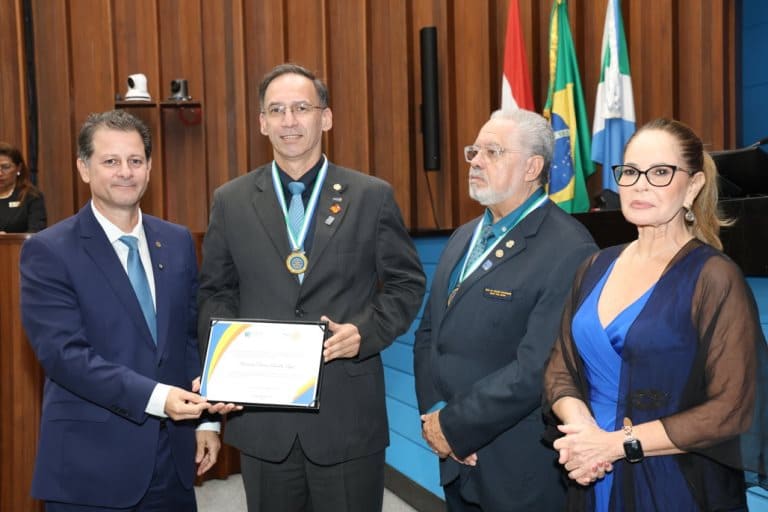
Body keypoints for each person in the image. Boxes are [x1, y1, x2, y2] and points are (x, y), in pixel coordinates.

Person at [197, 63, 426, 512]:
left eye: (301, 108)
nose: (289, 121)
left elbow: (406, 283)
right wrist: (224, 362)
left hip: (346, 412)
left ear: (326, 117)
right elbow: (214, 292)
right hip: (264, 417)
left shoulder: (370, 195)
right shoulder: (231, 200)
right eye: (276, 110)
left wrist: (364, 332)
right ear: (261, 122)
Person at [543, 118, 768, 511]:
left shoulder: (714, 278)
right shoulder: (594, 266)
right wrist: (584, 437)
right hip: (591, 472)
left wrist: (615, 444)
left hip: (674, 482)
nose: (640, 184)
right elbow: (560, 367)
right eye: (630, 171)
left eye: (660, 172)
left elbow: (731, 407)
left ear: (693, 186)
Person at [20, 110, 232, 511]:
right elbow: (64, 356)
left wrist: (205, 421)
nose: (125, 172)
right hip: (92, 468)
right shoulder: (49, 251)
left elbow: (189, 338)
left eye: (135, 161)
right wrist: (157, 397)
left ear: (149, 168)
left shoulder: (177, 241)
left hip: (174, 461)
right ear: (84, 168)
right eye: (110, 161)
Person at [413, 108, 598, 512]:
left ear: (533, 167)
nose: (476, 161)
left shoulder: (570, 248)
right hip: (454, 456)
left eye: (492, 152)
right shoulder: (464, 236)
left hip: (516, 467)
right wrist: (436, 417)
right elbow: (430, 334)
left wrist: (456, 426)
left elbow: (536, 367)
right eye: (474, 151)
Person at [0, 141, 47, 233]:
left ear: (19, 168)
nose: (0, 173)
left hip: (19, 247)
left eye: (5, 167)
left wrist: (7, 239)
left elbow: (36, 231)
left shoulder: (31, 196)